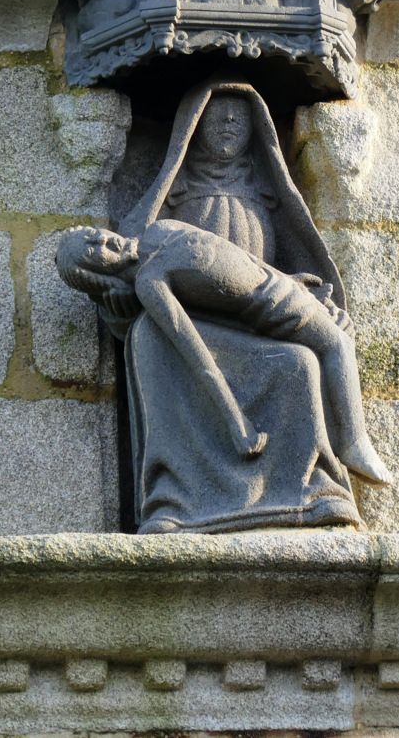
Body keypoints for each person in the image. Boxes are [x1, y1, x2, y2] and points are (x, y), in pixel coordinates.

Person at [109, 78, 376, 532]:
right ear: (192, 128)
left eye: (239, 117)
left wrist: (316, 296)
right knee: (148, 340)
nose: (229, 122)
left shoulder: (265, 196)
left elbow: (271, 273)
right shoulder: (170, 204)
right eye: (216, 116)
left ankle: (313, 491)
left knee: (300, 364)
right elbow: (127, 277)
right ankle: (173, 501)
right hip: (193, 326)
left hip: (256, 323)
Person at [56, 221, 389, 483]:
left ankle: (352, 441)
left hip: (279, 286)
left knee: (339, 339)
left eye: (95, 236)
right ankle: (354, 443)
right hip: (269, 309)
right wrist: (236, 421)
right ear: (100, 274)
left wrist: (290, 279)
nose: (104, 242)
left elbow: (234, 254)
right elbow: (195, 352)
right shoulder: (150, 283)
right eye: (94, 252)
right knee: (338, 344)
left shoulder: (161, 229)